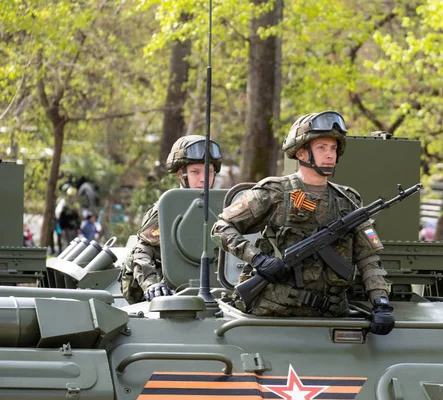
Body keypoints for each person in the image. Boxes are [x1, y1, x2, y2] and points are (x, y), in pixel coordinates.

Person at [211, 111, 395, 335]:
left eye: (333, 149)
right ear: (301, 152)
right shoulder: (275, 192)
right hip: (274, 316)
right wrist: (258, 259)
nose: (329, 155)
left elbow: (368, 258)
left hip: (331, 318)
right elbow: (220, 228)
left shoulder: (348, 200)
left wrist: (381, 302)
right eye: (321, 148)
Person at [120, 135, 222, 304]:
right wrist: (152, 284)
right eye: (195, 172)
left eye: (209, 171)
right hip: (171, 288)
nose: (203, 178)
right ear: (181, 176)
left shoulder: (223, 205)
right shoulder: (166, 207)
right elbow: (142, 252)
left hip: (216, 289)